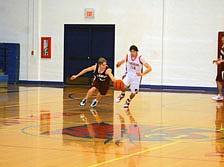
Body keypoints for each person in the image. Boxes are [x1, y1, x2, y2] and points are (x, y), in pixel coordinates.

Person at [213, 34, 224, 101]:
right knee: (218, 79)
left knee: (219, 79)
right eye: (222, 39)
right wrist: (218, 60)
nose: (222, 40)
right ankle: (220, 95)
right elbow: (222, 57)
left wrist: (221, 61)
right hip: (222, 66)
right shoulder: (222, 46)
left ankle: (220, 95)